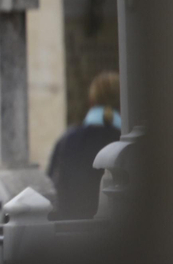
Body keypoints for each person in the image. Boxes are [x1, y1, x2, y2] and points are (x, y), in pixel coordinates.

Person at [47, 71, 122, 219]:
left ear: (91, 102)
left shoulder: (67, 140)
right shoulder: (127, 142)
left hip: (72, 227)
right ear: (122, 103)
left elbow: (53, 187)